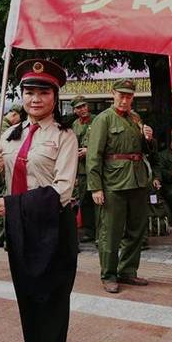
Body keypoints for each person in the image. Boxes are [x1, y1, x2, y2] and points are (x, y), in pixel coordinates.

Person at [0, 59, 78, 342]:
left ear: (55, 97)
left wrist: (11, 206)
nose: (35, 99)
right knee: (27, 303)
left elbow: (62, 191)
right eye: (29, 92)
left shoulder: (65, 136)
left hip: (52, 231)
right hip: (19, 231)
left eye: (43, 93)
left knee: (51, 306)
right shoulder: (9, 135)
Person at [86, 79, 155, 294]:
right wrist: (96, 187)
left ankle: (128, 271)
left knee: (136, 230)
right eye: (121, 95)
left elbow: (145, 151)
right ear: (113, 94)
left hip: (138, 180)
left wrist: (148, 139)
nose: (125, 100)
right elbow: (93, 156)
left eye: (129, 96)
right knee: (111, 231)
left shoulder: (135, 118)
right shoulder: (103, 119)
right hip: (113, 183)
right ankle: (109, 274)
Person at [0, 104, 22, 249]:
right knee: (7, 201)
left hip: (1, 167)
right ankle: (4, 238)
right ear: (15, 115)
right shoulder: (5, 127)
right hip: (4, 168)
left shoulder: (0, 124)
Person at [71, 95, 97, 243]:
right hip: (81, 169)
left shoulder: (98, 120)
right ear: (74, 110)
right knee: (85, 201)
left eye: (84, 106)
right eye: (79, 107)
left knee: (99, 200)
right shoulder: (75, 125)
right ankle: (89, 231)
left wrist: (89, 151)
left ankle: (101, 231)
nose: (83, 109)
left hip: (95, 166)